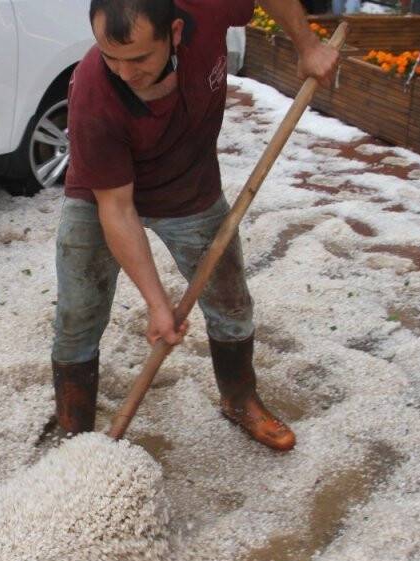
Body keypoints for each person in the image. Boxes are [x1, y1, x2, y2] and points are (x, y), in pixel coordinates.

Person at [50, 0, 339, 451]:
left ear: (177, 32)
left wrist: (307, 45)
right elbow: (117, 209)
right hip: (102, 195)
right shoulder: (93, 91)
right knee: (77, 312)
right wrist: (157, 303)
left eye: (141, 58)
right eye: (111, 56)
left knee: (230, 302)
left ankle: (239, 399)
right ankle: (74, 427)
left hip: (189, 185)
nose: (125, 74)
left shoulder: (208, 6)